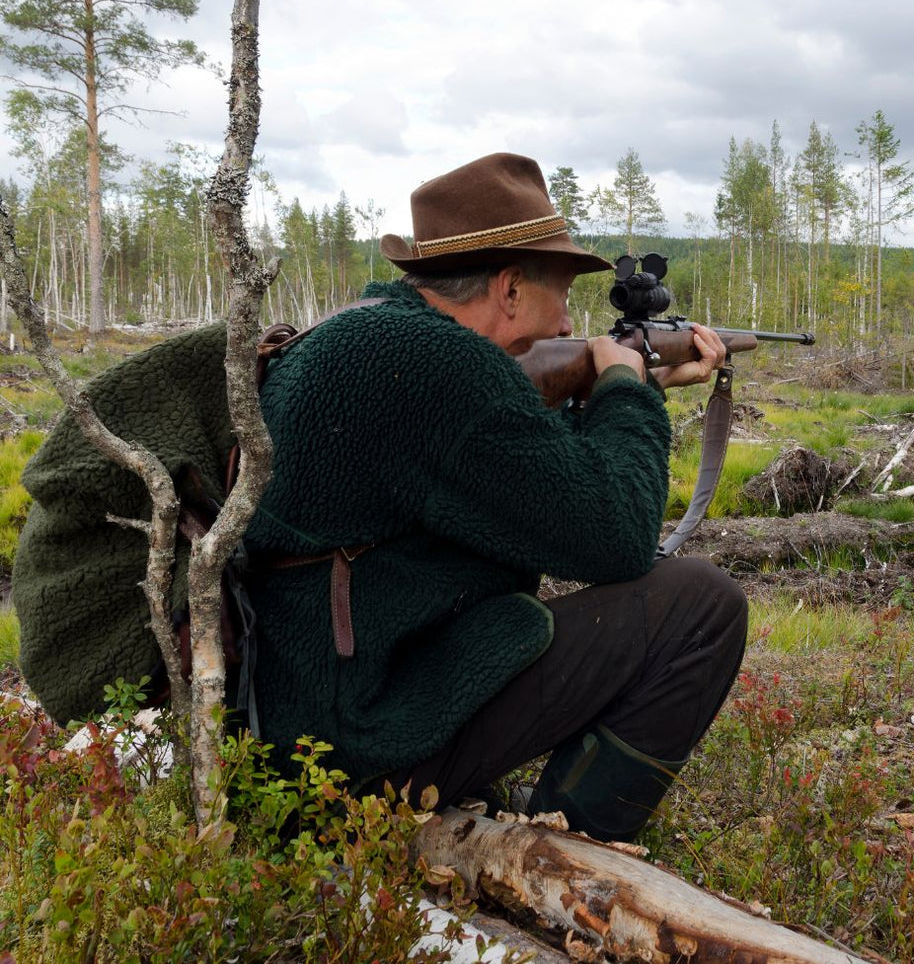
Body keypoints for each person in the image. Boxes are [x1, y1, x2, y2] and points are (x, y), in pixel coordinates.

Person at [241, 151, 748, 842]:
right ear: (510, 289)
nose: (571, 324)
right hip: (356, 746)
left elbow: (499, 462)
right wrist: (624, 390)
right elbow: (618, 537)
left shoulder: (365, 336)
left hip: (294, 726)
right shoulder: (439, 365)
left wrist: (636, 383)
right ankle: (572, 846)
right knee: (699, 606)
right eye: (562, 294)